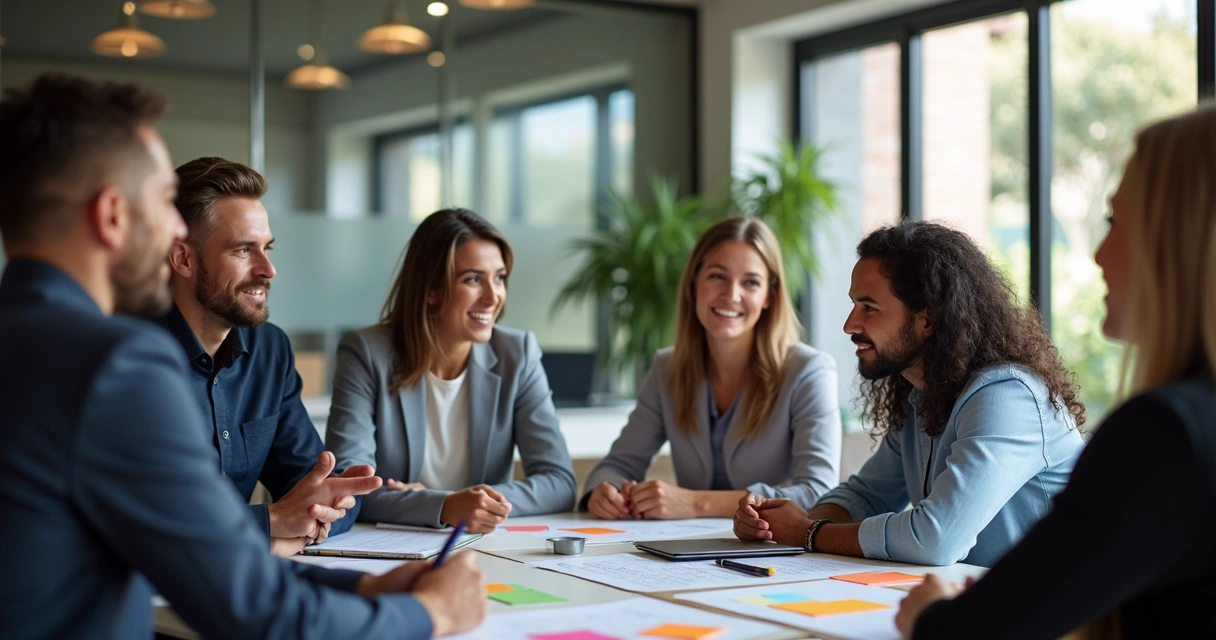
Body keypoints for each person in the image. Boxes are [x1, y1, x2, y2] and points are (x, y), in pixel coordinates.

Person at [0, 73, 484, 640]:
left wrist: (366, 588)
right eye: (162, 202)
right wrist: (431, 613)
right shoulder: (113, 365)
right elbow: (250, 608)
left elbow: (194, 563)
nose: (174, 228)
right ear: (112, 216)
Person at [896, 106, 1216, 639]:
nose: (1096, 253)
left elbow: (972, 630)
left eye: (1115, 222)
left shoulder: (1167, 435)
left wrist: (930, 613)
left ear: (1176, 240)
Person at [734, 221, 1087, 567]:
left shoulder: (1008, 397)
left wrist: (809, 532)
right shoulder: (923, 397)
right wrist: (777, 524)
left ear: (927, 321)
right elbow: (866, 495)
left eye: (869, 308)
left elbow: (935, 538)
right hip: (985, 604)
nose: (850, 325)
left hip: (1056, 619)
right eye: (854, 305)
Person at [155, 156, 371, 557]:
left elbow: (313, 492)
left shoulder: (269, 350)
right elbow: (144, 524)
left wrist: (325, 506)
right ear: (183, 258)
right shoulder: (126, 359)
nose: (268, 269)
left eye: (267, 249)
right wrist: (269, 526)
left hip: (236, 589)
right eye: (243, 250)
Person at [326, 208, 577, 533]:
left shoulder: (518, 353)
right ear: (431, 289)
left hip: (484, 547)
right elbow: (349, 488)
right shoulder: (365, 354)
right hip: (393, 548)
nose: (493, 297)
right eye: (473, 279)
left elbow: (559, 484)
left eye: (499, 278)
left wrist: (457, 502)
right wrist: (445, 506)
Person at [581, 217, 842, 520]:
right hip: (687, 554)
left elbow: (817, 492)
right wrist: (604, 491)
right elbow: (618, 465)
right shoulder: (666, 369)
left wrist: (695, 503)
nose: (731, 294)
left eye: (751, 282)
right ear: (694, 284)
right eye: (718, 276)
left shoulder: (809, 371)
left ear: (768, 296)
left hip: (774, 553)